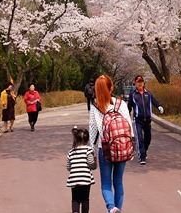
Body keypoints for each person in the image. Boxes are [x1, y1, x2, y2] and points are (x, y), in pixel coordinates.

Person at [89, 75, 134, 213]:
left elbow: (92, 133)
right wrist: (131, 148)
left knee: (106, 184)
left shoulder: (95, 107)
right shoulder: (121, 104)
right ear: (111, 87)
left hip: (105, 150)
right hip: (122, 147)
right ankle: (118, 209)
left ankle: (111, 207)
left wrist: (93, 152)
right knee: (118, 182)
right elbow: (129, 128)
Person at [127, 75, 164, 165]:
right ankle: (142, 157)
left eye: (141, 82)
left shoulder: (148, 93)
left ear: (144, 83)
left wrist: (159, 106)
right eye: (138, 82)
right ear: (135, 83)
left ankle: (144, 150)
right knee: (139, 138)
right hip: (138, 120)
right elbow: (129, 106)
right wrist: (126, 115)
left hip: (147, 120)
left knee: (148, 138)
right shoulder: (133, 94)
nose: (140, 84)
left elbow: (154, 101)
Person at [66, 126, 96, 213]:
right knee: (85, 199)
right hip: (85, 179)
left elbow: (68, 167)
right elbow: (91, 165)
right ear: (87, 140)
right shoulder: (88, 150)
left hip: (74, 179)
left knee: (75, 199)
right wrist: (95, 162)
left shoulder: (71, 152)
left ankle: (75, 211)